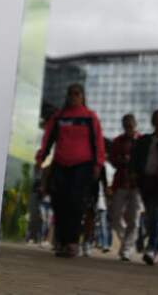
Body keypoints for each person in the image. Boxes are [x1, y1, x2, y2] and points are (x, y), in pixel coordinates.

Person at [36, 83, 106, 258]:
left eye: (77, 93)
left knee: (75, 203)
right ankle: (61, 241)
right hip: (60, 164)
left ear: (82, 96)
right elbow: (48, 140)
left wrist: (98, 164)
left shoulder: (90, 117)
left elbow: (98, 142)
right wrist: (41, 157)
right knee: (59, 202)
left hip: (83, 166)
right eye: (70, 94)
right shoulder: (59, 117)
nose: (73, 96)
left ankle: (72, 243)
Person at [131, 109, 158, 265]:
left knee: (156, 214)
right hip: (147, 181)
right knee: (152, 215)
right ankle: (154, 248)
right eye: (156, 121)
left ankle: (153, 247)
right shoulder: (146, 140)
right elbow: (136, 158)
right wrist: (134, 173)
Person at [109, 113, 141, 261]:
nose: (128, 127)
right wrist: (122, 160)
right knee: (115, 216)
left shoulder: (142, 140)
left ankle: (126, 249)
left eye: (130, 125)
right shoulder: (117, 141)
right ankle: (126, 242)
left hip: (137, 185)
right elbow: (112, 159)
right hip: (121, 182)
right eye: (126, 125)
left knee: (134, 218)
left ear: (135, 125)